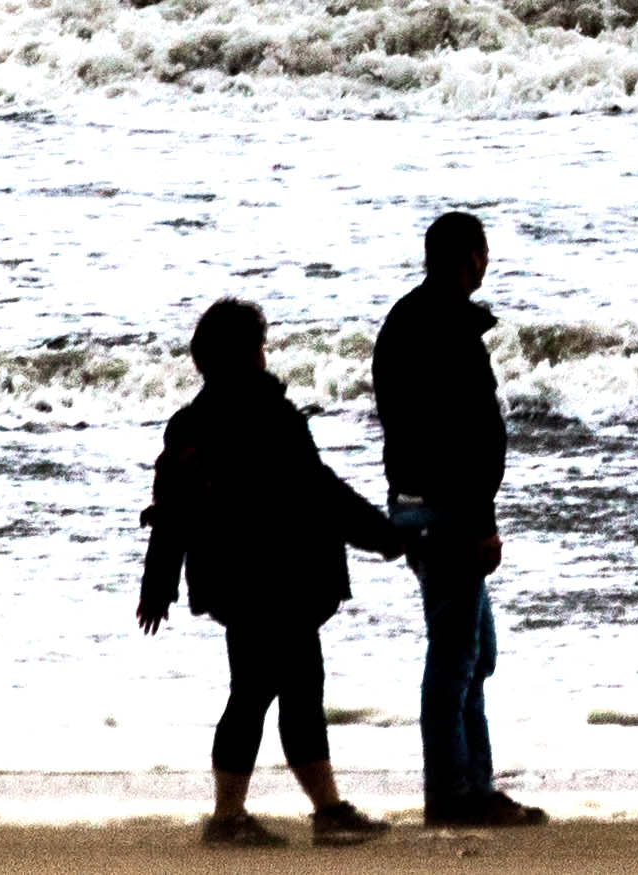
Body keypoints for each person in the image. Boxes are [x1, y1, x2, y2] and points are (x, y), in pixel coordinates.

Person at [139, 295, 410, 849]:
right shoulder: (270, 414)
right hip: (281, 578)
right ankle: (262, 817)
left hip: (232, 581)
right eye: (261, 344)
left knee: (270, 688)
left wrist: (160, 582)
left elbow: (173, 507)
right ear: (249, 353)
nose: (266, 354)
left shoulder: (191, 423)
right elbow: (319, 491)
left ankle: (297, 811)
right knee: (280, 691)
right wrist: (383, 536)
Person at [372, 213, 547, 830]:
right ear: (468, 256)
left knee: (474, 651)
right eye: (483, 252)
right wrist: (481, 520)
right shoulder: (445, 327)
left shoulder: (406, 321)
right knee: (457, 654)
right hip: (448, 507)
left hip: (418, 500)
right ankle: (453, 791)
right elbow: (460, 437)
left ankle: (472, 782)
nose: (487, 263)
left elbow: (420, 429)